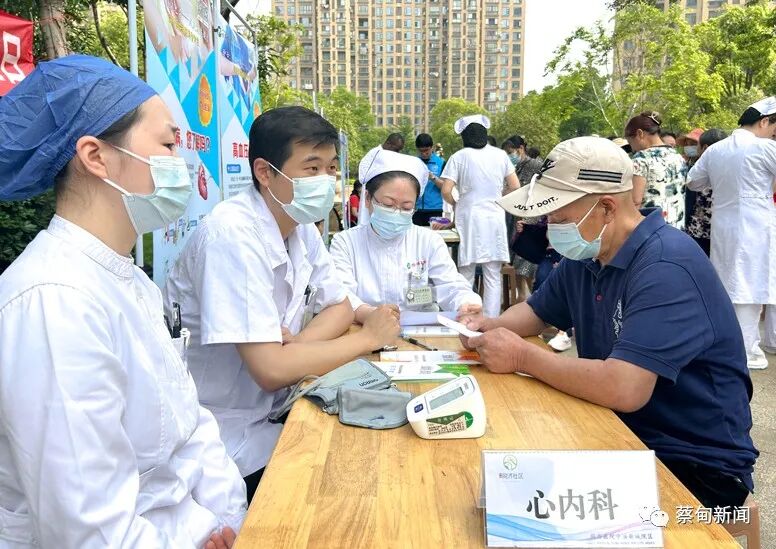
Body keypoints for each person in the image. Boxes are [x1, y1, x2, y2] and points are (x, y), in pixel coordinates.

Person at [0, 55, 246, 548]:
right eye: (168, 145)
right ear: (96, 157)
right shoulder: (54, 301)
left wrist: (229, 521)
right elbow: (89, 527)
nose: (181, 163)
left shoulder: (129, 279)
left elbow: (192, 427)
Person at [473, 136, 758, 510]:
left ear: (606, 208)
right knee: (498, 481)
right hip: (619, 430)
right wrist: (487, 327)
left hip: (692, 461)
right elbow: (534, 313)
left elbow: (625, 388)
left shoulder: (666, 266)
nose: (550, 226)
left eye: (558, 216)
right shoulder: (586, 258)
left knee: (524, 507)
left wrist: (522, 357)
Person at [163, 107, 401, 503]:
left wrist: (298, 346)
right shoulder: (231, 236)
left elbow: (340, 306)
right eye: (312, 168)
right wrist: (367, 339)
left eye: (331, 168)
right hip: (223, 439)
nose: (326, 180)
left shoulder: (299, 227)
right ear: (264, 172)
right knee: (345, 489)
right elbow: (271, 370)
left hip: (272, 414)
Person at [331, 150, 481, 321]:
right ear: (367, 198)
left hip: (420, 329)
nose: (396, 212)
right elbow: (341, 294)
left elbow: (451, 284)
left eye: (406, 207)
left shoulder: (428, 241)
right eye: (388, 204)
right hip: (364, 328)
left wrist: (466, 302)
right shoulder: (346, 243)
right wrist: (370, 314)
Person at [687, 97, 776, 370]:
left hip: (724, 225)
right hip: (756, 224)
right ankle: (745, 350)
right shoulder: (765, 148)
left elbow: (693, 181)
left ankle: (729, 343)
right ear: (764, 121)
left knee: (727, 282)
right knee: (751, 286)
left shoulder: (716, 149)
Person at [440, 115, 520, 317]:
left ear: (464, 136)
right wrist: (498, 197)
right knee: (493, 274)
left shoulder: (459, 157)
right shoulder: (500, 155)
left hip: (469, 218)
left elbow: (446, 190)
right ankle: (491, 321)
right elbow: (515, 186)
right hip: (494, 217)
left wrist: (456, 203)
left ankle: (466, 319)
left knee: (465, 273)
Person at [625, 111, 687, 229]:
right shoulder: (678, 157)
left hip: (652, 228)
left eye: (630, 142)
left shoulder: (641, 159)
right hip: (676, 226)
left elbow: (635, 201)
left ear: (640, 134)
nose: (632, 147)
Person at [504, 136, 543, 303]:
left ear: (520, 148)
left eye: (510, 152)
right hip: (515, 217)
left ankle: (534, 297)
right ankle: (521, 295)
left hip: (532, 217)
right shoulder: (513, 167)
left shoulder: (536, 165)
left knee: (526, 260)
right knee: (516, 257)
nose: (509, 156)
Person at [684, 129, 727, 257]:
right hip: (722, 229)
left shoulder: (698, 170)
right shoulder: (730, 168)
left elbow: (690, 197)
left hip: (699, 229)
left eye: (696, 145)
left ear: (705, 148)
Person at [413, 133, 446, 226]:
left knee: (434, 234)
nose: (424, 154)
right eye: (421, 151)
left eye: (426, 151)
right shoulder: (414, 162)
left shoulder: (441, 162)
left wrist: (432, 177)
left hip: (435, 209)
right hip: (416, 209)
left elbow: (445, 186)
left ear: (432, 147)